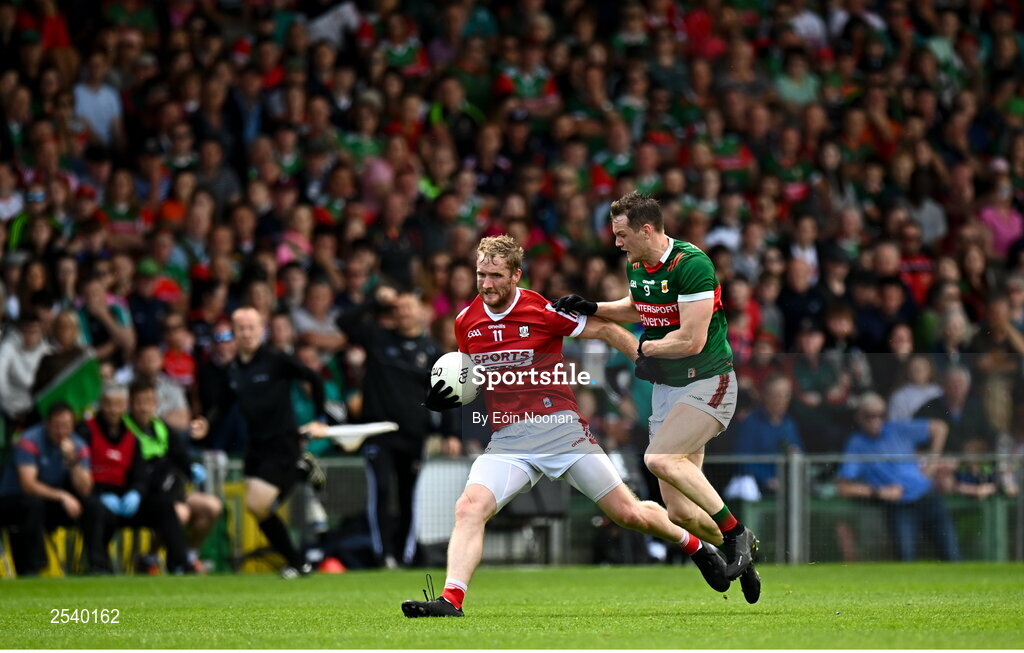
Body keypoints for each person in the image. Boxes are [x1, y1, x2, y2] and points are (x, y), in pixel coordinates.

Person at [400, 235, 731, 618]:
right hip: (509, 438)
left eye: (494, 275)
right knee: (469, 507)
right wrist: (449, 398)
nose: (486, 283)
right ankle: (450, 601)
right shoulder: (465, 323)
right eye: (480, 274)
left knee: (629, 514)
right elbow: (474, 380)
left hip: (560, 430)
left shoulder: (540, 309)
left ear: (515, 275)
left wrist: (645, 363)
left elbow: (606, 329)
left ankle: (695, 545)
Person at [552, 192, 760, 595]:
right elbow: (639, 307)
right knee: (682, 513)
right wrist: (592, 307)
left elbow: (692, 339)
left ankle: (735, 533)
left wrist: (645, 349)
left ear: (647, 230)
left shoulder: (692, 264)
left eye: (622, 234)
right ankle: (746, 552)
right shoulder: (638, 264)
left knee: (659, 458)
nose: (617, 243)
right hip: (669, 389)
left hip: (708, 381)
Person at [336, 287, 459, 568]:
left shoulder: (432, 352)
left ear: (421, 312)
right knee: (379, 491)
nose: (404, 312)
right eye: (399, 308)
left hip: (414, 435)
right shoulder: (377, 338)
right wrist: (374, 300)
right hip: (377, 433)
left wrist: (450, 432)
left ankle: (405, 556)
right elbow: (344, 323)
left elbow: (449, 392)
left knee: (409, 496)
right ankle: (384, 556)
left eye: (409, 307)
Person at [205, 307, 326, 578]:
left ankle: (298, 473)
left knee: (258, 503)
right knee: (256, 508)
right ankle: (297, 562)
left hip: (282, 441)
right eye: (241, 329)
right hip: (255, 445)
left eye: (251, 328)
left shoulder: (276, 359)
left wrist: (319, 418)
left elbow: (315, 379)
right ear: (234, 333)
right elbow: (222, 404)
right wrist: (205, 422)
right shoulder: (233, 368)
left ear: (262, 330)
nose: (246, 334)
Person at [80, 383, 191, 574]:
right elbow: (81, 471)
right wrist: (98, 493)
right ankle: (98, 567)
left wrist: (136, 493)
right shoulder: (86, 431)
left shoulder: (131, 436)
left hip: (125, 498)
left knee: (164, 506)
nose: (113, 410)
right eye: (108, 404)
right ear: (101, 405)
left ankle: (180, 564)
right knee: (96, 510)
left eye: (118, 405)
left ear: (125, 407)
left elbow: (140, 474)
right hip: (97, 495)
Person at [836, 392, 960, 562]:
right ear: (859, 417)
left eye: (881, 415)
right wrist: (879, 492)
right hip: (900, 505)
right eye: (869, 416)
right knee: (906, 559)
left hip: (927, 496)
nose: (876, 420)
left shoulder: (898, 429)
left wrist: (932, 464)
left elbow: (940, 427)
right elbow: (843, 487)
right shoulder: (857, 443)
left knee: (951, 554)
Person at [124, 379, 222, 573]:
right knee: (180, 514)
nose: (144, 407)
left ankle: (191, 553)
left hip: (173, 491)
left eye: (149, 401)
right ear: (131, 403)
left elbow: (181, 456)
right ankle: (152, 557)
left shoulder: (162, 427)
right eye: (139, 402)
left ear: (155, 403)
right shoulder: (125, 430)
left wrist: (192, 469)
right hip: (147, 495)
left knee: (212, 506)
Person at [0, 402, 97, 576]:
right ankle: (34, 568)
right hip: (14, 500)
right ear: (47, 424)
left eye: (66, 426)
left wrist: (72, 461)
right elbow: (28, 485)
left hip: (49, 501)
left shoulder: (78, 445)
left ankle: (97, 566)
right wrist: (62, 496)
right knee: (33, 505)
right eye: (57, 426)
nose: (61, 432)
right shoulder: (29, 440)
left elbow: (85, 489)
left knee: (92, 506)